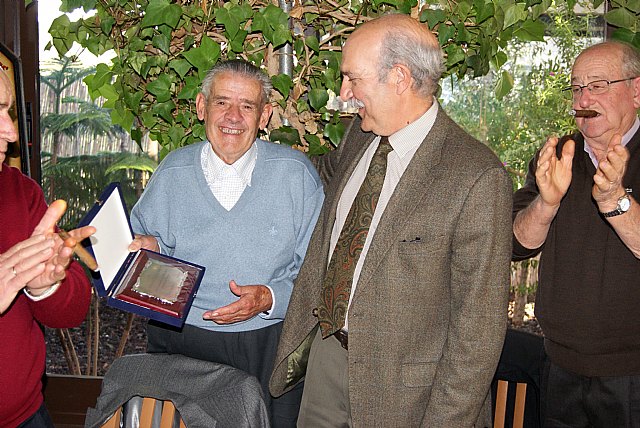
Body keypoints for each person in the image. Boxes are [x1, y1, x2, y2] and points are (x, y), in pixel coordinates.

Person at [269, 14, 513, 427]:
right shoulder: (359, 137)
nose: (344, 93)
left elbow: (477, 335)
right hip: (327, 358)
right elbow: (314, 175)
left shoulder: (476, 177)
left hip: (409, 392)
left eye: (353, 79)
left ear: (399, 77)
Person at [129, 59, 324, 427]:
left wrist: (268, 297)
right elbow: (141, 261)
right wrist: (149, 251)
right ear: (202, 107)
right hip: (182, 344)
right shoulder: (172, 172)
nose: (233, 116)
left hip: (269, 344)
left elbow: (317, 271)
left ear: (264, 116)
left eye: (247, 106)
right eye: (222, 102)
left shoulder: (296, 176)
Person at [512, 41, 640, 427]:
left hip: (633, 373)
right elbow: (515, 244)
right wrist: (547, 204)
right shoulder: (559, 154)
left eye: (599, 85)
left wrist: (615, 199)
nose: (584, 98)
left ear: (636, 90)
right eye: (577, 87)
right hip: (558, 365)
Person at [0, 69, 95, 427]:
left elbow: (73, 311)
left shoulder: (21, 192)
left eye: (8, 111)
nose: (11, 132)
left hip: (28, 415)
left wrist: (46, 286)